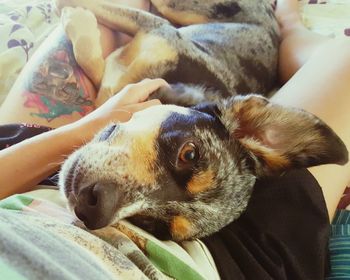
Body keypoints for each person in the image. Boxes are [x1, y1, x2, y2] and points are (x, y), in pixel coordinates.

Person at [0, 0, 349, 278]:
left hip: (24, 169)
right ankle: (288, 22)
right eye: (187, 156)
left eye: (154, 221)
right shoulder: (220, 121)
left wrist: (76, 134)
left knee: (93, 19)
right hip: (249, 261)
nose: (106, 209)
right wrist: (89, 129)